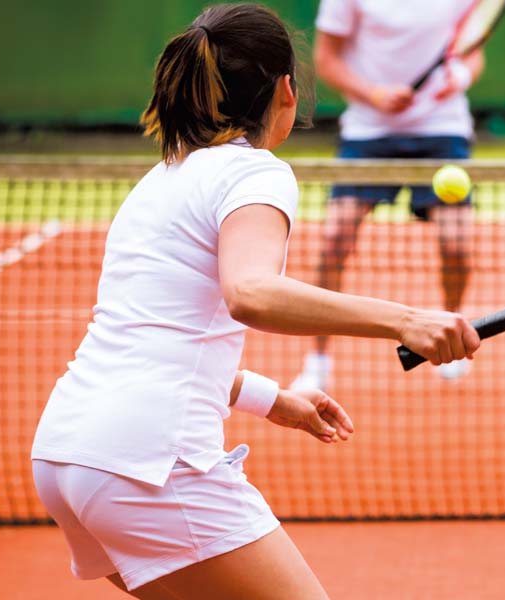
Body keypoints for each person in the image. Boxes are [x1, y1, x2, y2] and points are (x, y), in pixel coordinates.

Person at [29, 5, 479, 599]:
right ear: (287, 89)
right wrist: (406, 319)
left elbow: (159, 340)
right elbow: (251, 293)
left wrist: (274, 400)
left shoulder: (162, 177)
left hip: (68, 455)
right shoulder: (256, 173)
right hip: (150, 464)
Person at [290, 0, 485, 388]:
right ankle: (318, 360)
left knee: (456, 244)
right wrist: (374, 94)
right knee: (334, 241)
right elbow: (327, 59)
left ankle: (450, 328)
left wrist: (459, 78)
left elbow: (471, 50)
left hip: (441, 130)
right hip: (368, 131)